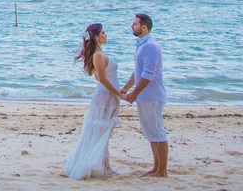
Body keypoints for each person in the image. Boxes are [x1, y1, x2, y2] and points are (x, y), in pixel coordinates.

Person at [63, 22, 122, 179]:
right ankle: (100, 165)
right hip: (105, 96)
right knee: (101, 131)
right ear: (96, 37)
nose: (106, 35)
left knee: (104, 131)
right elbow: (101, 79)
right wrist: (120, 94)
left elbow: (99, 76)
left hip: (109, 95)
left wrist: (119, 93)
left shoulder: (100, 54)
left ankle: (104, 164)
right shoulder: (97, 55)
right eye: (103, 33)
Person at [121, 12, 168, 177]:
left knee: (157, 132)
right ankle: (156, 167)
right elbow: (137, 71)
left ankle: (162, 171)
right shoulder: (141, 44)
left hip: (152, 95)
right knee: (151, 133)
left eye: (134, 24)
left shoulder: (150, 46)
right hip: (145, 96)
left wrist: (134, 93)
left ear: (144, 27)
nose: (131, 26)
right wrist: (126, 88)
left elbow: (148, 74)